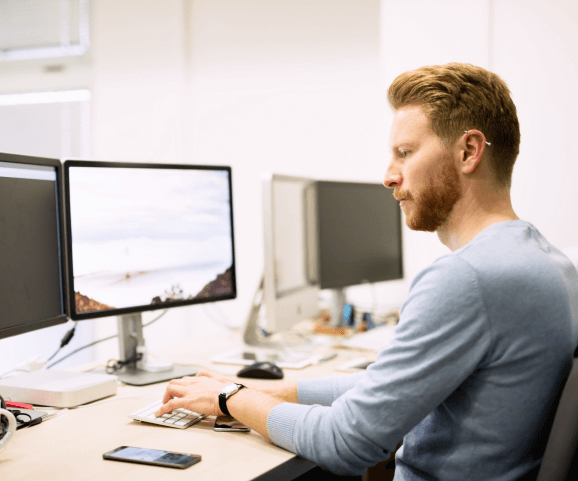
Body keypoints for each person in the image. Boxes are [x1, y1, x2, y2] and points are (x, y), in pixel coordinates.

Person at [156, 63, 578, 480]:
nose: (389, 177)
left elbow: (346, 444)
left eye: (405, 153)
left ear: (469, 151)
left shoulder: (467, 279)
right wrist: (266, 390)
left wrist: (231, 399)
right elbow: (382, 391)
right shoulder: (551, 264)